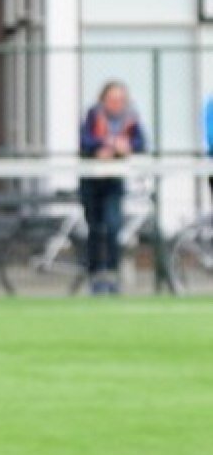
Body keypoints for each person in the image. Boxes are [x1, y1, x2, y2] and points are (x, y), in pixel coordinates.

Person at [79, 80, 146, 295]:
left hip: (114, 181)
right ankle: (96, 277)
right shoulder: (93, 115)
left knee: (113, 226)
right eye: (112, 99)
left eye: (120, 99)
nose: (116, 103)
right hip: (92, 180)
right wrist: (101, 148)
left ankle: (112, 275)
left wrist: (124, 148)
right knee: (95, 229)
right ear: (103, 99)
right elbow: (85, 141)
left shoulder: (130, 118)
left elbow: (141, 142)